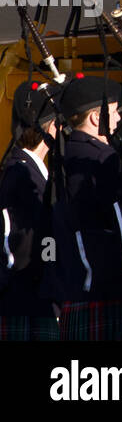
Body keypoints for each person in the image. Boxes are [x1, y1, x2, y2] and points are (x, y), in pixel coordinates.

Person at [43, 73, 122, 341]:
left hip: (74, 295)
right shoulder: (102, 160)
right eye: (113, 112)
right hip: (111, 295)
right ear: (97, 118)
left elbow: (48, 237)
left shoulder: (59, 160)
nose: (120, 119)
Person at [0, 81, 60, 340]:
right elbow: (24, 243)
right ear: (49, 125)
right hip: (23, 299)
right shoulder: (22, 174)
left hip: (28, 297)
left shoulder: (28, 169)